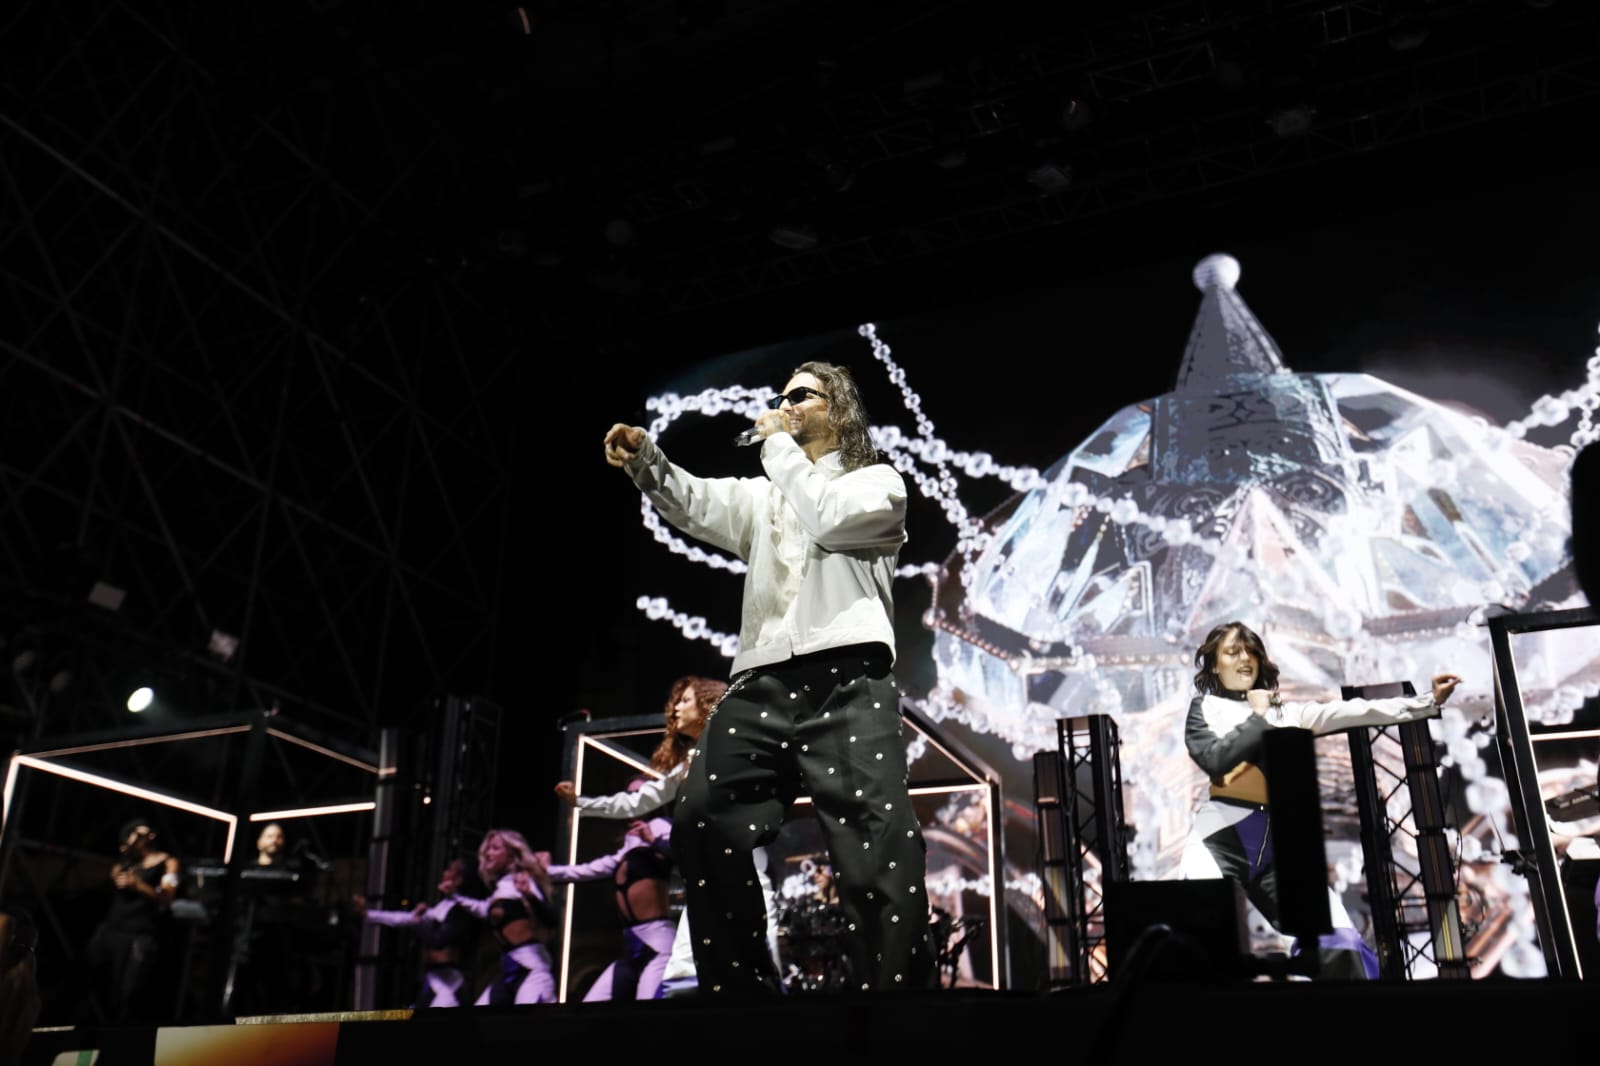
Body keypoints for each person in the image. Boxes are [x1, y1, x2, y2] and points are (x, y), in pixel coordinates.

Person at [602, 360, 935, 996]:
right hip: (759, 680)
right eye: (779, 398)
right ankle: (743, 998)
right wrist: (649, 460)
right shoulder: (765, 494)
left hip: (848, 677)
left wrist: (778, 444)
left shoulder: (876, 483)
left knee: (877, 848)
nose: (784, 405)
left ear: (837, 410)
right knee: (701, 816)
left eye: (800, 396)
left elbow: (830, 519)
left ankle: (897, 1010)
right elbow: (696, 501)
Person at [1179, 620, 1462, 979]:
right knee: (1193, 935)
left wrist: (1426, 701)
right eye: (1232, 652)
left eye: (1250, 651)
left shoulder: (1289, 714)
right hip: (1219, 836)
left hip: (1273, 843)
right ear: (1215, 664)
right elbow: (1214, 759)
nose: (1244, 659)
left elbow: (1355, 712)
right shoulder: (1206, 708)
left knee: (1338, 941)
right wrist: (1259, 717)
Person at [554, 675, 783, 998]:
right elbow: (636, 801)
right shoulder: (688, 765)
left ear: (708, 705)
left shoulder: (740, 747)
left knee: (761, 957)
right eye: (676, 701)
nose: (676, 708)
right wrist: (580, 802)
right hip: (705, 874)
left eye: (685, 700)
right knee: (683, 974)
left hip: (744, 865)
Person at [83, 816, 182, 1024]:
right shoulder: (126, 862)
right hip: (112, 929)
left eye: (142, 833)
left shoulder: (167, 862)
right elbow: (112, 873)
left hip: (139, 936)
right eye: (134, 834)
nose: (139, 837)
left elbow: (166, 898)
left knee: (127, 995)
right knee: (91, 984)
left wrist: (138, 886)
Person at [448, 829, 558, 1005]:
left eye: (495, 848)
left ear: (511, 855)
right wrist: (454, 896)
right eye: (487, 849)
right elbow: (482, 909)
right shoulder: (501, 888)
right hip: (510, 970)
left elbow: (551, 919)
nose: (488, 854)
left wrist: (530, 895)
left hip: (531, 968)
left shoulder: (521, 881)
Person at [353, 857, 479, 1008]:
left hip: (448, 980)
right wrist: (369, 914)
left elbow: (438, 940)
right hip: (434, 977)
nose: (444, 873)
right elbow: (405, 919)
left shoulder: (460, 910)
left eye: (450, 870)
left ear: (458, 880)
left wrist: (418, 922)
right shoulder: (443, 906)